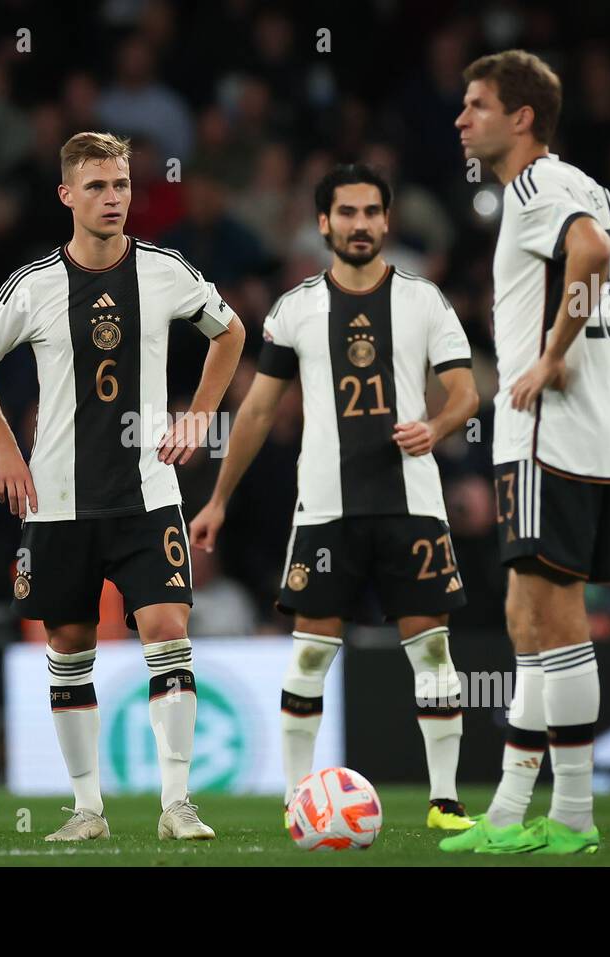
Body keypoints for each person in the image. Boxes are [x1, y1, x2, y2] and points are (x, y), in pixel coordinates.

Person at [0, 132, 245, 842]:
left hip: (148, 491)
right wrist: (5, 447)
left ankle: (178, 802)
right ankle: (88, 809)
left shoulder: (165, 270)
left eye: (120, 185)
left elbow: (230, 331)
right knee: (70, 641)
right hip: (57, 499)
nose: (113, 198)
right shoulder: (33, 285)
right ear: (66, 195)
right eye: (96, 187)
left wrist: (199, 411)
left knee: (169, 627)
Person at [444, 50, 610, 854]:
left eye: (475, 105)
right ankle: (516, 812)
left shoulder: (540, 186)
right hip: (567, 429)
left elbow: (586, 252)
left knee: (552, 615)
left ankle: (573, 816)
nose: (460, 119)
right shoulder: (582, 182)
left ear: (521, 118)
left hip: (548, 426)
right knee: (529, 615)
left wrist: (556, 354)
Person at [189, 163, 480, 831]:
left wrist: (435, 426)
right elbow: (258, 412)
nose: (359, 223)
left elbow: (465, 389)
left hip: (411, 504)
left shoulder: (423, 300)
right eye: (346, 212)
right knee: (312, 652)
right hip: (326, 509)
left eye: (371, 211)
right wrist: (218, 499)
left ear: (387, 220)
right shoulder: (295, 308)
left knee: (431, 649)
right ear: (323, 223)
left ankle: (444, 800)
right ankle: (297, 798)